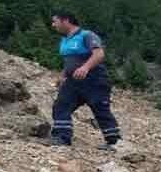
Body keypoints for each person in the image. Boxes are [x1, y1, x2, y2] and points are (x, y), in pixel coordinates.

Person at [50, 11, 121, 150]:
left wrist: (85, 67)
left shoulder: (86, 35)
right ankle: (62, 138)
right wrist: (63, 76)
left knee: (100, 108)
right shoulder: (64, 40)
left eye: (55, 21)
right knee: (61, 105)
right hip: (73, 81)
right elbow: (69, 62)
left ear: (66, 21)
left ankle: (114, 142)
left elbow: (99, 54)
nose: (53, 25)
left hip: (94, 79)